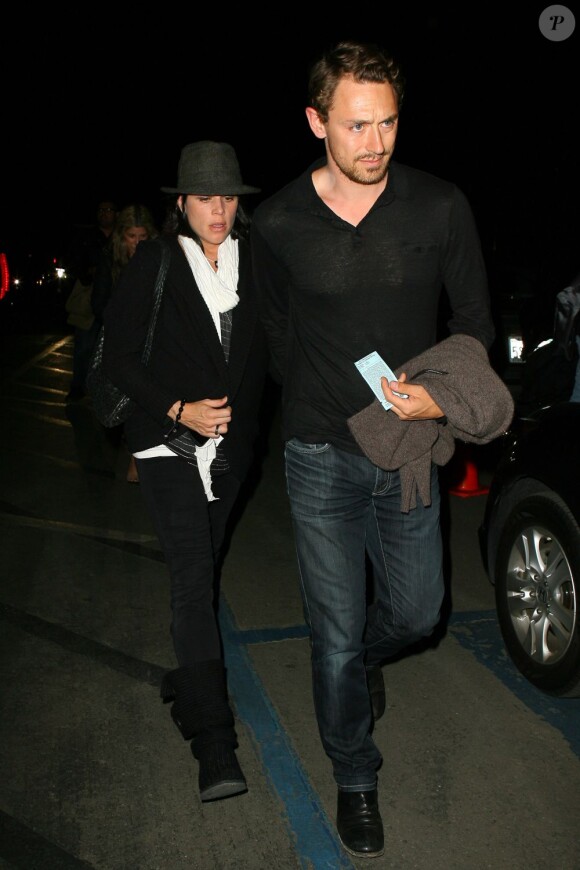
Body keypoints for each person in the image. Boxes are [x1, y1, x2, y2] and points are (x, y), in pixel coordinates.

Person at [251, 40, 495, 859]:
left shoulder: (439, 207)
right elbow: (274, 329)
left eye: (388, 123)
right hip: (319, 451)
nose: (376, 144)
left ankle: (358, 665)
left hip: (412, 448)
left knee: (419, 612)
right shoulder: (279, 220)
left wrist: (440, 398)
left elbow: (475, 324)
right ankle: (356, 776)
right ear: (318, 121)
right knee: (334, 630)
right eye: (357, 125)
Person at [101, 141, 268, 802]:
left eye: (228, 197)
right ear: (182, 204)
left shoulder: (254, 264)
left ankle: (187, 680)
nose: (218, 209)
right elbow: (117, 358)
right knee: (192, 579)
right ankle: (213, 741)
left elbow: (290, 342)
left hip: (232, 454)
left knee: (207, 562)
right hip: (167, 442)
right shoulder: (157, 259)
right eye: (205, 197)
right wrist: (179, 409)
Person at [92, 203, 159, 483]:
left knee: (142, 398)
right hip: (120, 340)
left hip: (149, 340)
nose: (137, 243)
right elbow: (100, 303)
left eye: (142, 237)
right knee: (122, 397)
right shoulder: (111, 260)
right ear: (122, 237)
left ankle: (138, 455)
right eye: (132, 236)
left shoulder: (157, 258)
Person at [64, 199, 118, 400]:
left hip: (113, 299)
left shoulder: (120, 238)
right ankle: (78, 387)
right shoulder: (86, 237)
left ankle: (104, 392)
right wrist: (89, 271)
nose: (105, 213)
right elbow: (74, 262)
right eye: (101, 210)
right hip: (89, 299)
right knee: (84, 346)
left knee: (110, 350)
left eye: (109, 210)